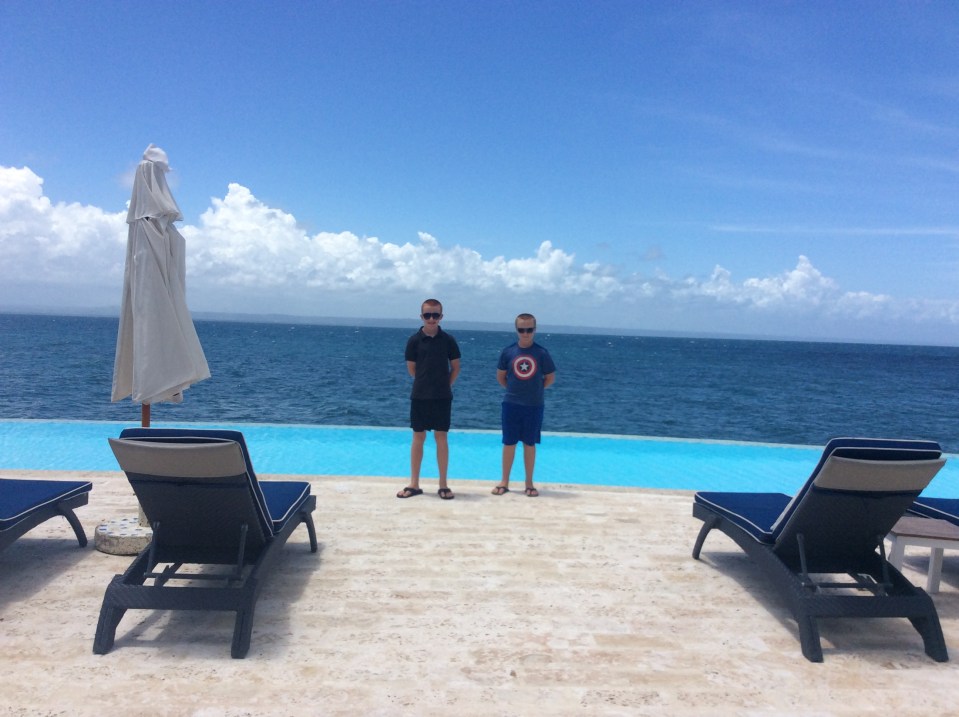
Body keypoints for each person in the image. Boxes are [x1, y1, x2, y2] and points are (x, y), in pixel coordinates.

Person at [397, 299, 461, 500]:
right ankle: (414, 484)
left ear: (441, 316)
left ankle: (443, 485)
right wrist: (426, 384)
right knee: (418, 438)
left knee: (441, 438)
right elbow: (412, 369)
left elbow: (456, 368)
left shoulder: (448, 340)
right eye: (427, 315)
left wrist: (444, 385)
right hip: (420, 396)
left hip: (442, 397)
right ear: (422, 317)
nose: (431, 319)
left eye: (435, 315)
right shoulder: (414, 341)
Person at [492, 313, 556, 497]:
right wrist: (515, 390)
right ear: (517, 330)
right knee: (509, 443)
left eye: (529, 329)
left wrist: (535, 390)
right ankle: (504, 481)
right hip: (511, 404)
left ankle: (529, 483)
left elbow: (550, 377)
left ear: (534, 330)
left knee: (529, 443)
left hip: (534, 405)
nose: (525, 333)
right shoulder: (508, 352)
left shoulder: (542, 353)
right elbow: (501, 377)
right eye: (522, 329)